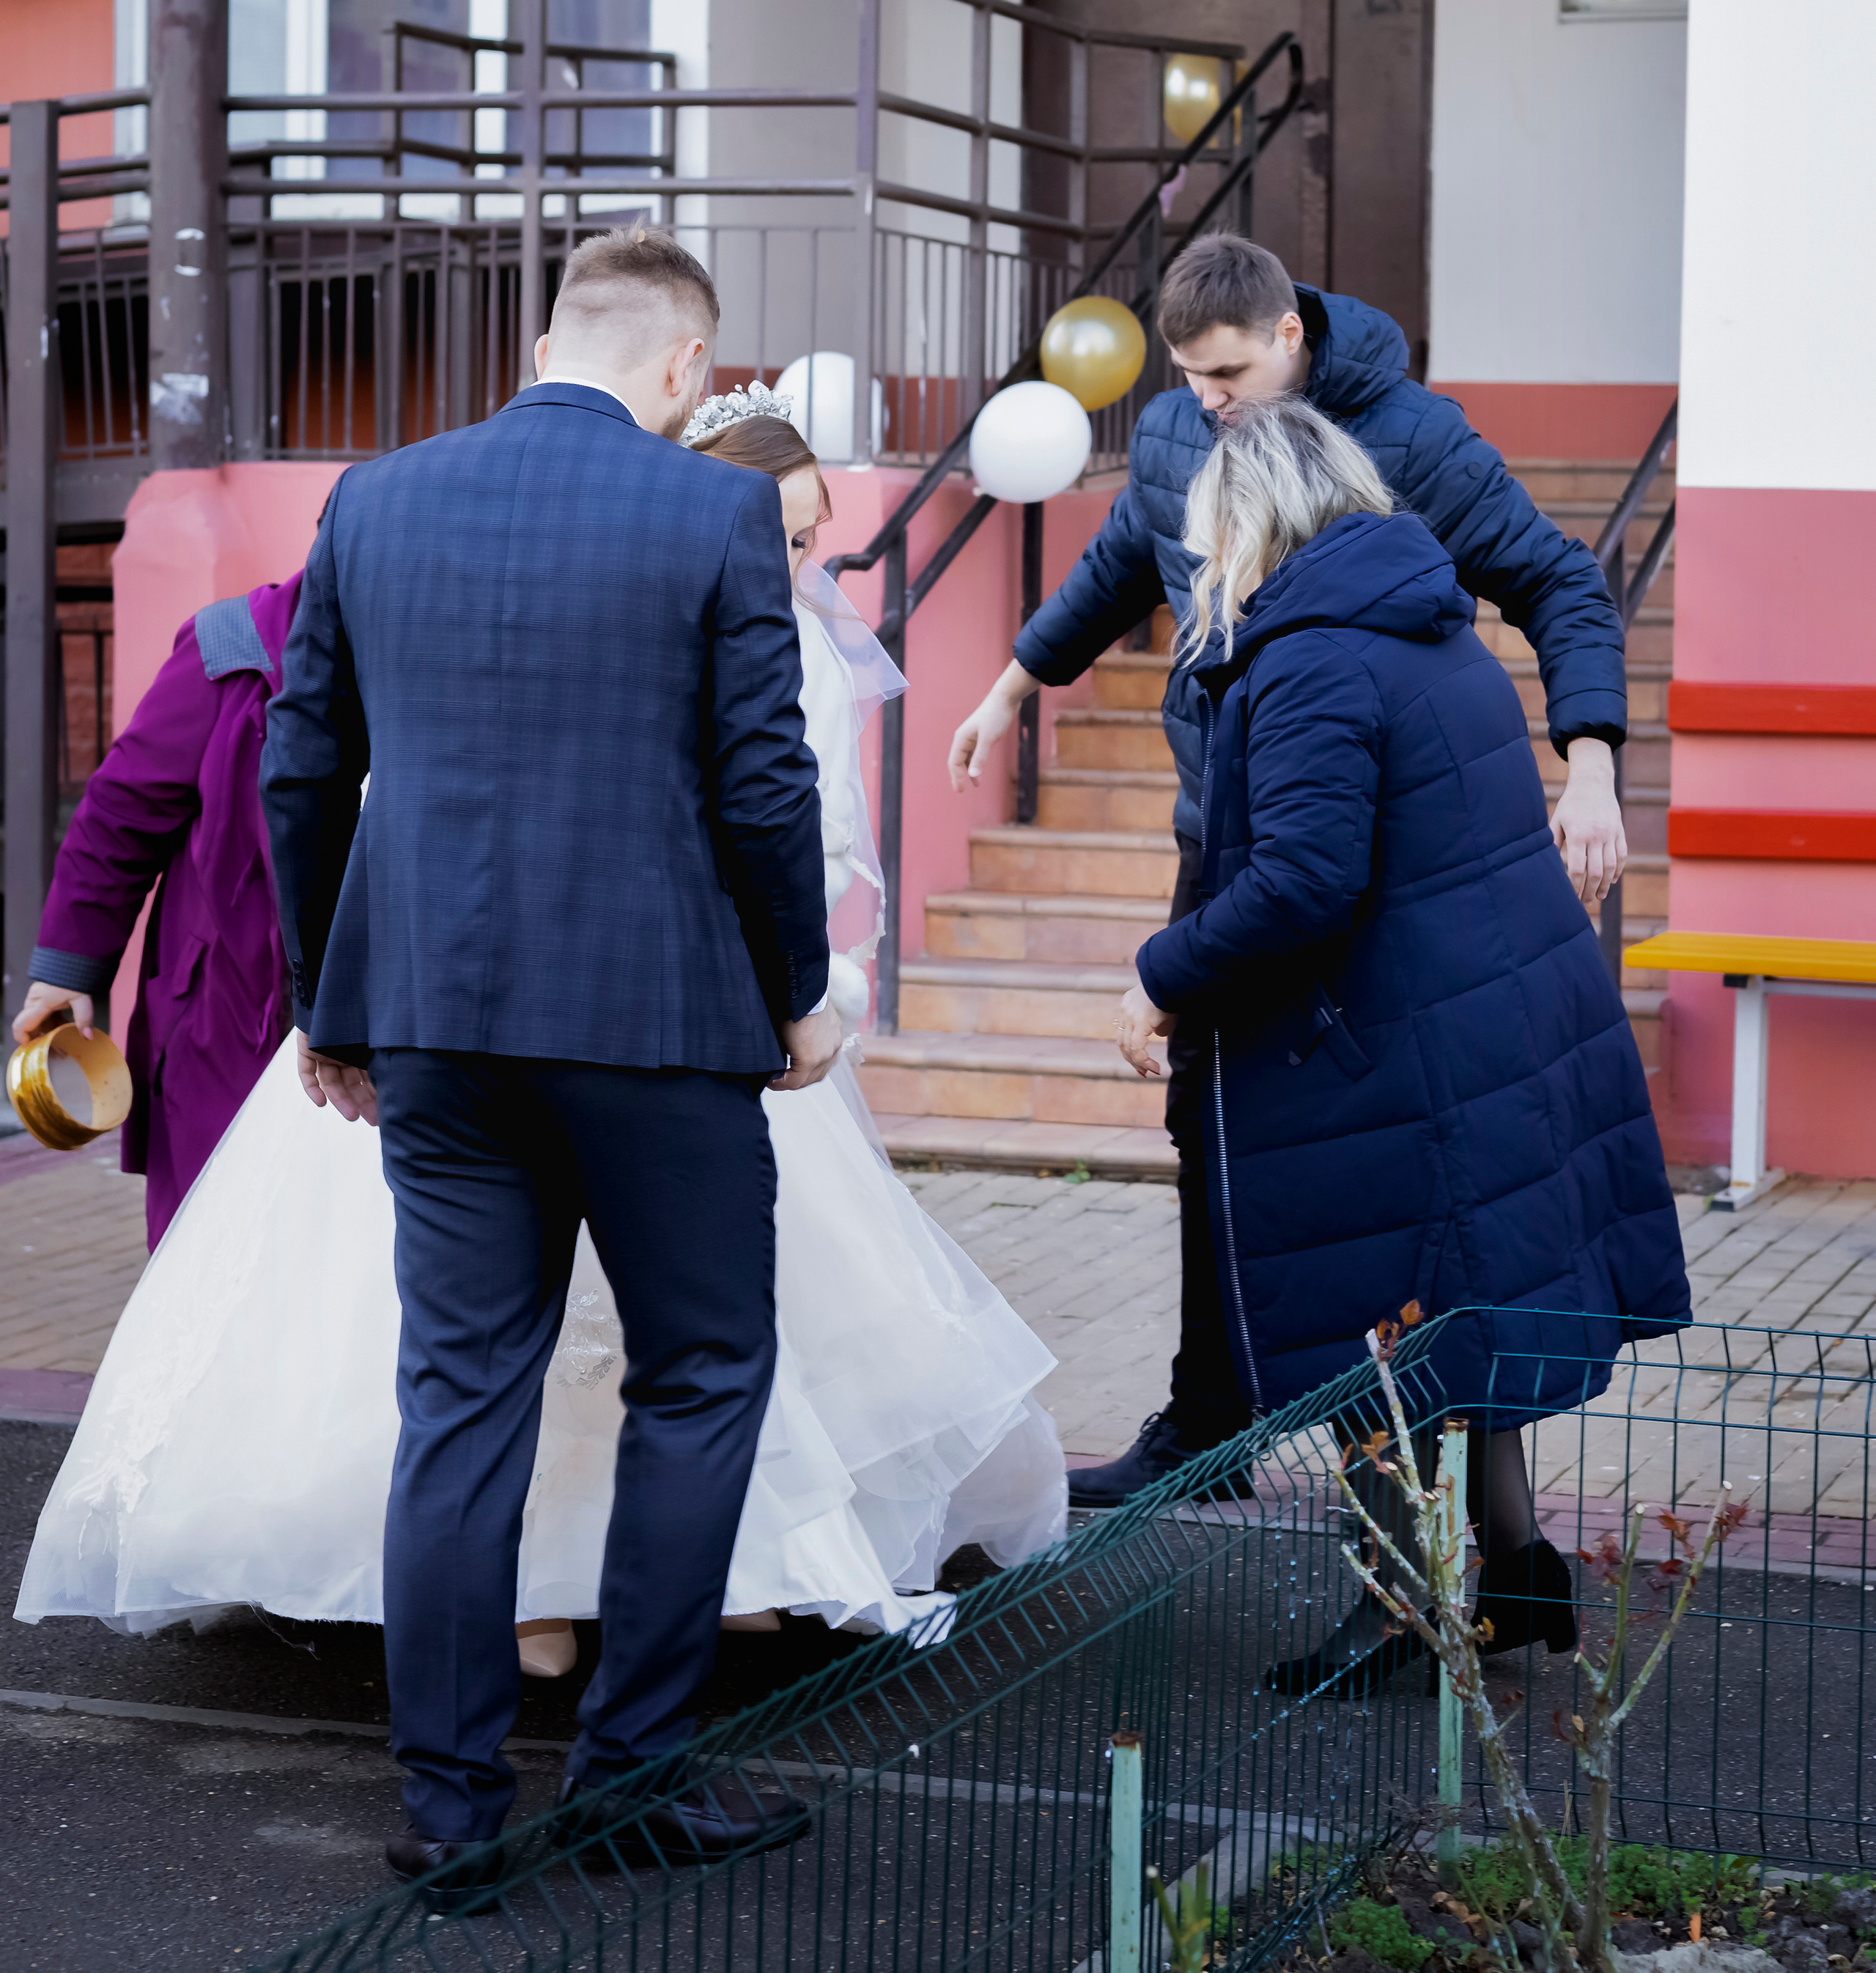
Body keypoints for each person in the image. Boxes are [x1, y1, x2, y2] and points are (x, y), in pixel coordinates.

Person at [16, 290, 1066, 1895]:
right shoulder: (713, 511)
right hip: (658, 1031)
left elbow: (305, 766)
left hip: (436, 1028)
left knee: (458, 1398)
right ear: (686, 363)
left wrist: (332, 1003)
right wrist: (796, 993)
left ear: (541, 348)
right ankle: (629, 1775)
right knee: (701, 1374)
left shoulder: (377, 499)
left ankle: (449, 1811)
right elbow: (763, 780)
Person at [949, 237, 1636, 1507]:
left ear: (1288, 335)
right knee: (1207, 1123)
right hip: (1225, 839)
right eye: (1188, 376)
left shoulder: (1414, 439)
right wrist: (1011, 685)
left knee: (1363, 1157)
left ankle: (1425, 1491)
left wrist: (1589, 760)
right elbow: (1122, 561)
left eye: (1227, 373)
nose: (1207, 401)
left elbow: (1557, 581)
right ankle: (1213, 1423)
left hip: (1359, 864)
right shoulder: (1178, 429)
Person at [1110, 395, 1690, 1697]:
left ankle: (1397, 1613)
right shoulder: (1427, 625)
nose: (1207, 562)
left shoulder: (1314, 656)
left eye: (1212, 536)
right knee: (1453, 1323)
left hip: (1393, 1049)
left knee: (1377, 1337)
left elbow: (1302, 883)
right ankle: (1518, 1570)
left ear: (1253, 521)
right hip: (1481, 1024)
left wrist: (1160, 973)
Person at [12, 573, 303, 1247]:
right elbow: (120, 816)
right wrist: (67, 970)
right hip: (228, 1021)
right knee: (216, 1244)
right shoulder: (233, 644)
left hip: (392, 1039)